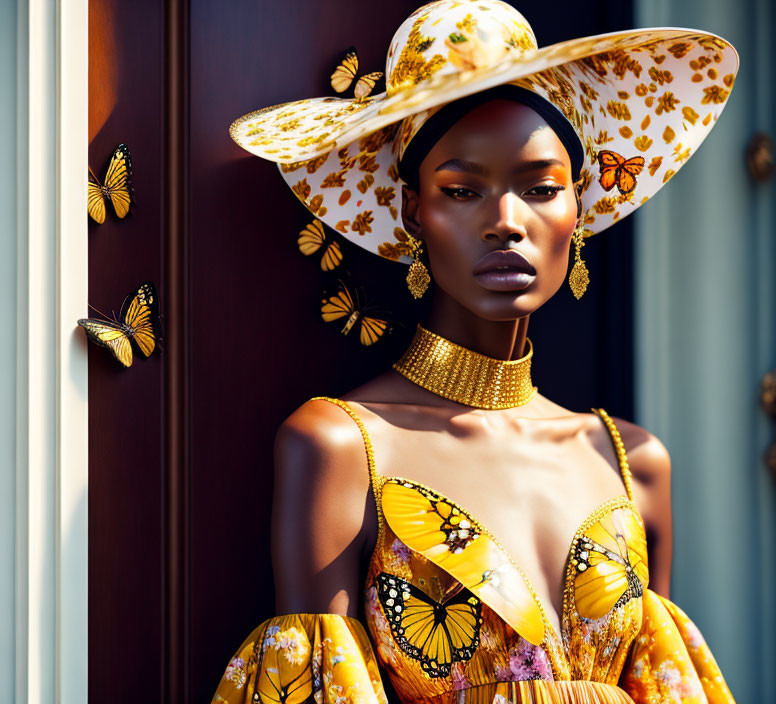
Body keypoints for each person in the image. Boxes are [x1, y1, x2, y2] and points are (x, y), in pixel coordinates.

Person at [214, 2, 739, 702]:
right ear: (412, 213)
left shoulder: (633, 462)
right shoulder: (340, 446)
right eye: (463, 191)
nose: (506, 223)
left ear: (577, 207)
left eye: (541, 189)